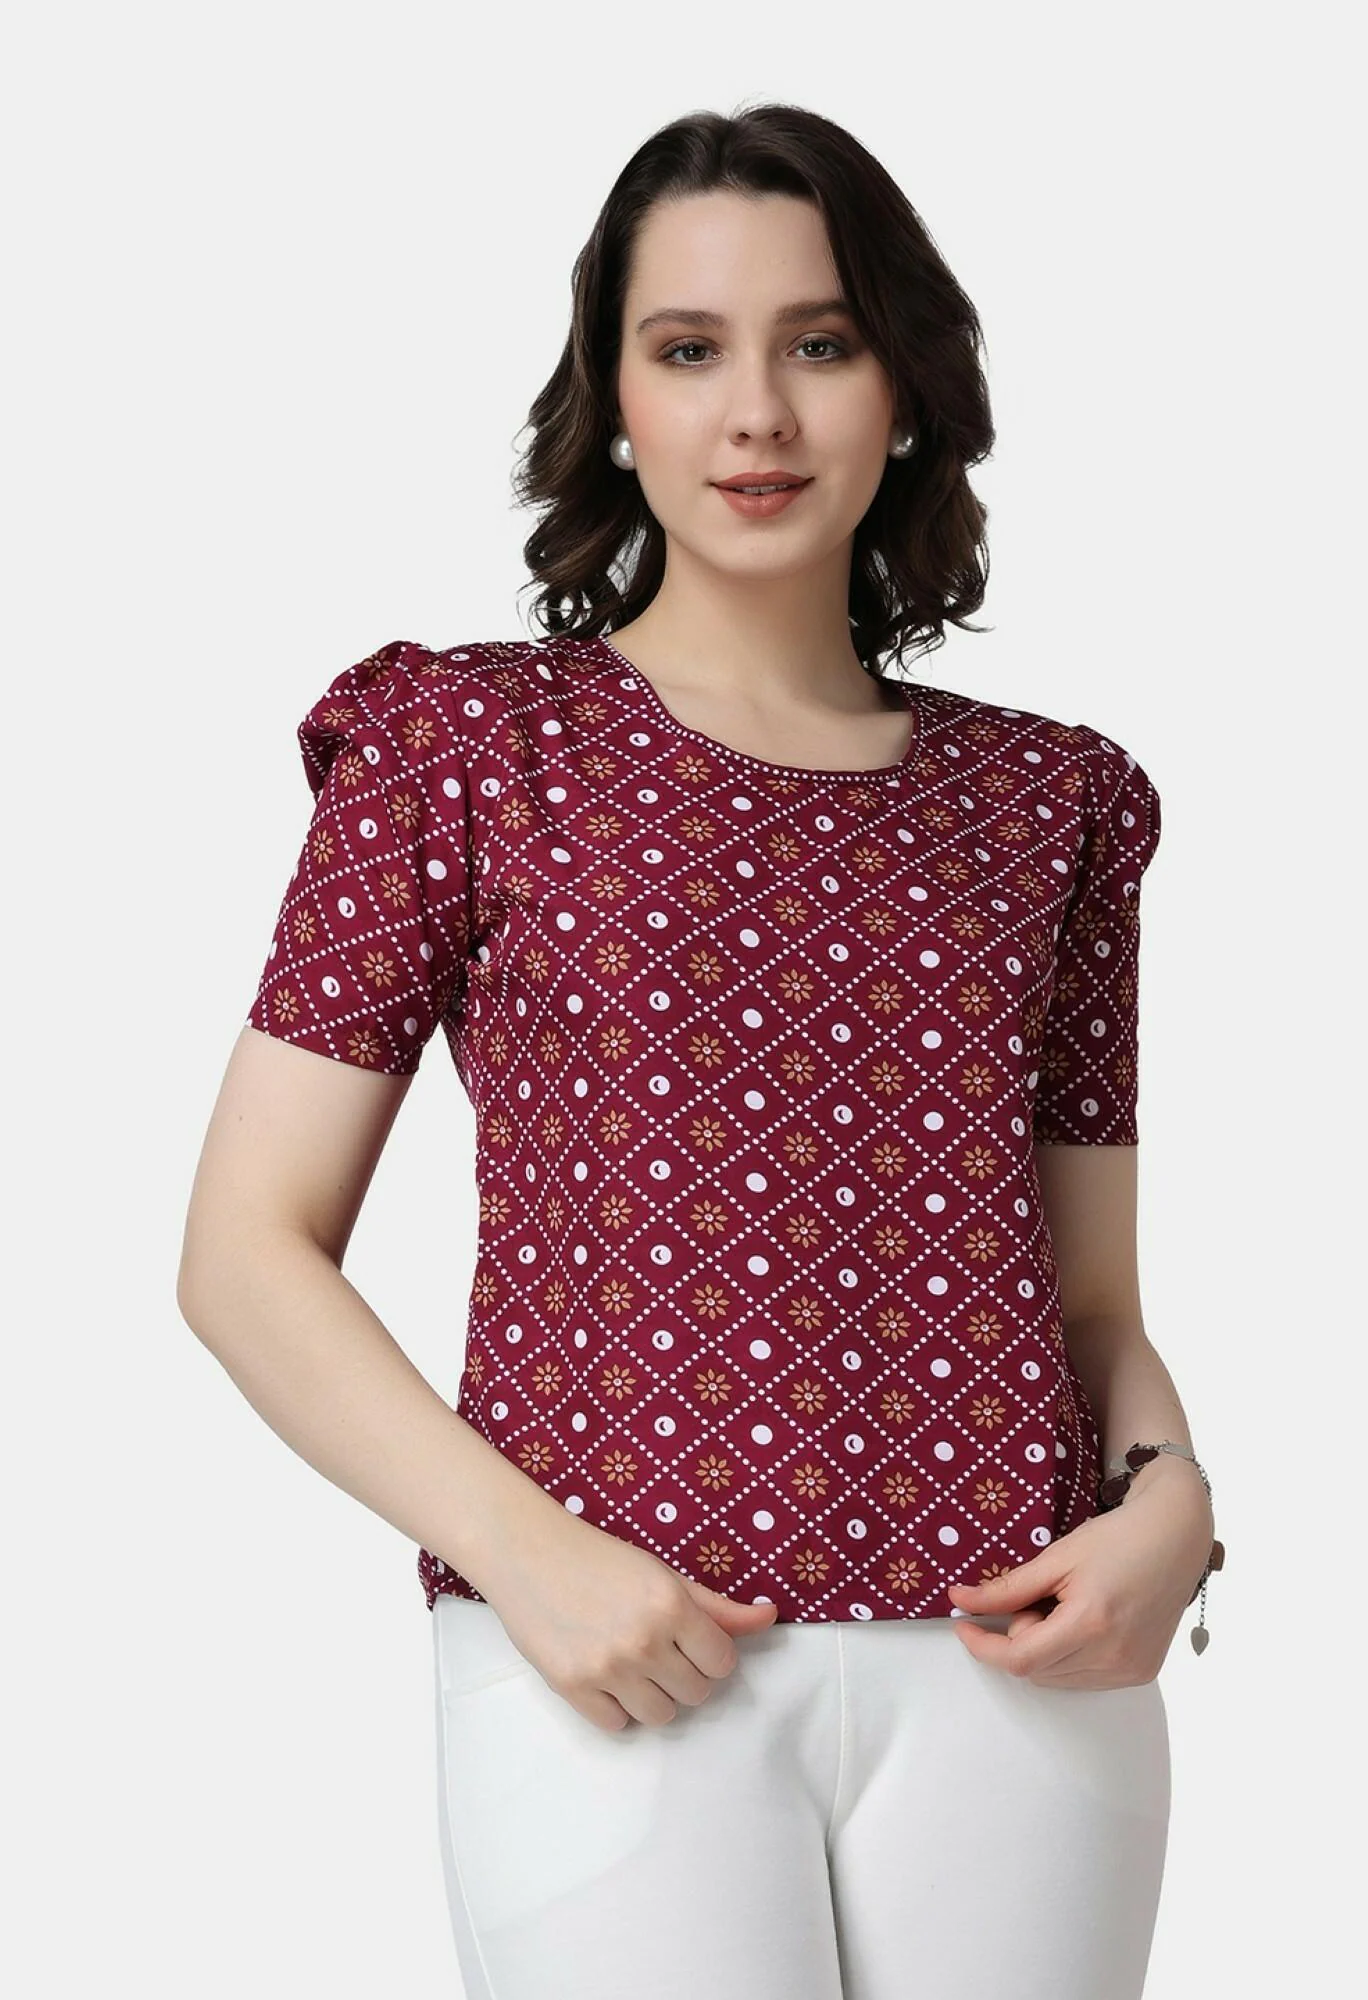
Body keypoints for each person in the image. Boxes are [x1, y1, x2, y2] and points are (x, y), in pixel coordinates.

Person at [178, 101, 1219, 2000]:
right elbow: (246, 1253)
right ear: (614, 399)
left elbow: (1090, 1308)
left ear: (903, 388)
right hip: (614, 1657)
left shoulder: (1052, 804)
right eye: (689, 349)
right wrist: (522, 1556)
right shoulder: (463, 752)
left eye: (820, 342)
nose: (758, 414)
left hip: (1025, 1669)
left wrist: (1174, 1501)